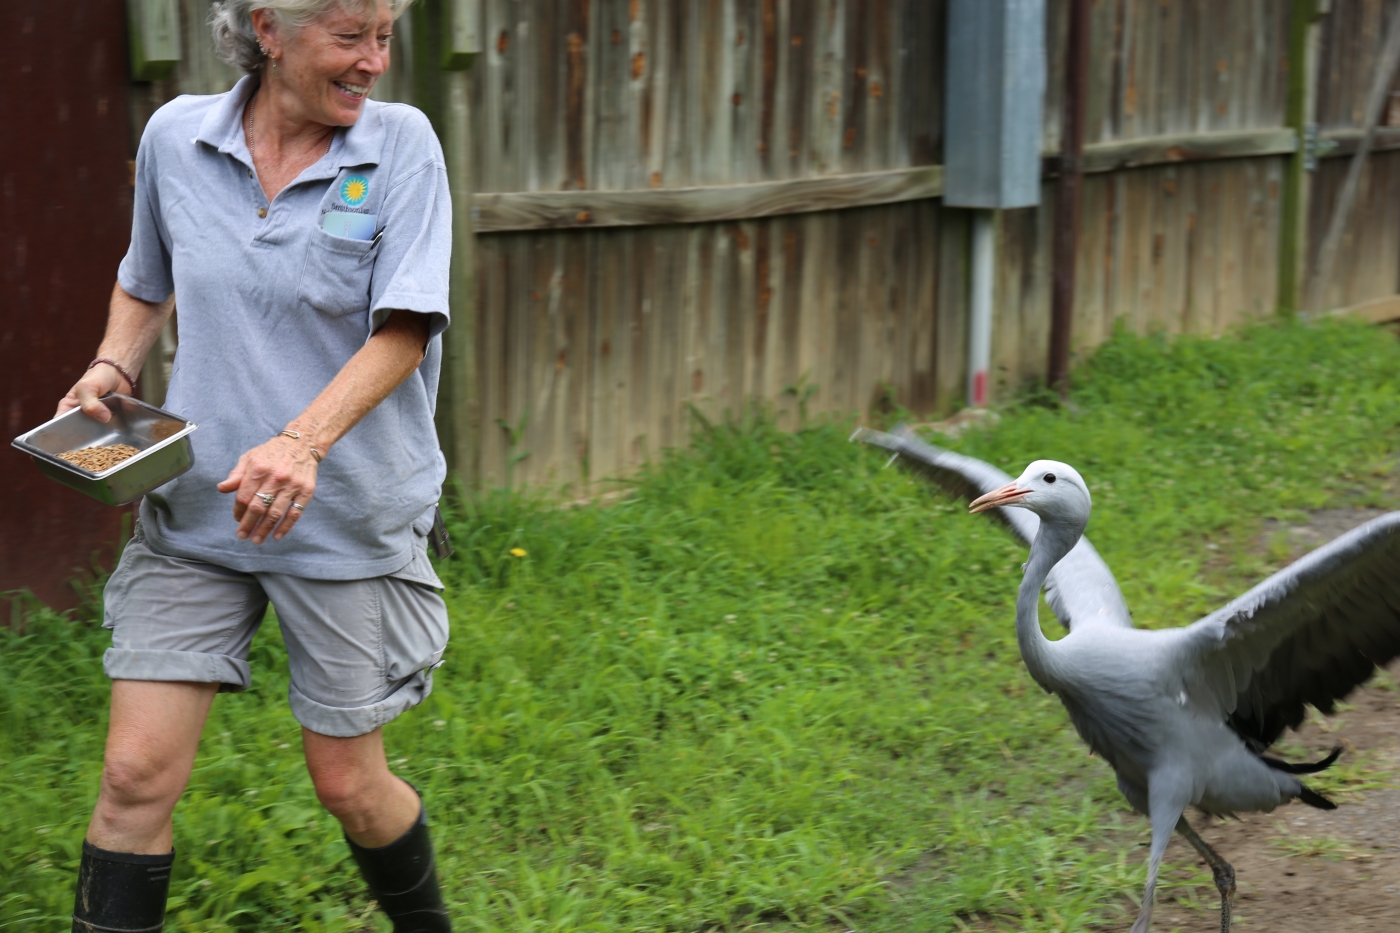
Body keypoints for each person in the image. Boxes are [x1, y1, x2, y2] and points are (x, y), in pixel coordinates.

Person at [59, 1, 453, 930]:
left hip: (346, 518)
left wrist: (301, 440)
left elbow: (404, 327)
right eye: (350, 37)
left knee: (350, 784)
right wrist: (114, 362)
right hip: (195, 508)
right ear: (268, 29)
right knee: (132, 775)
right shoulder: (175, 137)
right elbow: (144, 275)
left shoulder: (402, 146)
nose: (375, 63)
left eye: (386, 36)